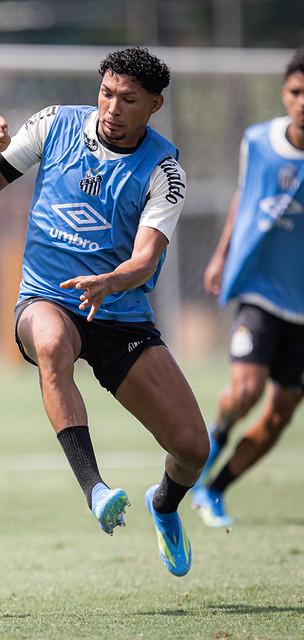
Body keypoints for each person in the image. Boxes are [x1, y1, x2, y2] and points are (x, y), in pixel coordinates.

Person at [0, 47, 208, 577]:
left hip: (120, 313)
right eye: (106, 93)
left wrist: (110, 281)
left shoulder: (165, 170)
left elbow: (145, 259)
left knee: (193, 448)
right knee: (52, 345)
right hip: (46, 299)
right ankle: (95, 488)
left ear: (154, 105)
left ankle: (164, 505)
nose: (112, 108)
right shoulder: (54, 124)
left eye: (128, 100)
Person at [192, 49, 304, 528]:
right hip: (259, 289)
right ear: (284, 94)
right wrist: (221, 255)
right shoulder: (258, 141)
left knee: (279, 415)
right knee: (245, 391)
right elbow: (245, 196)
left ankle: (215, 490)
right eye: (297, 93)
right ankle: (202, 453)